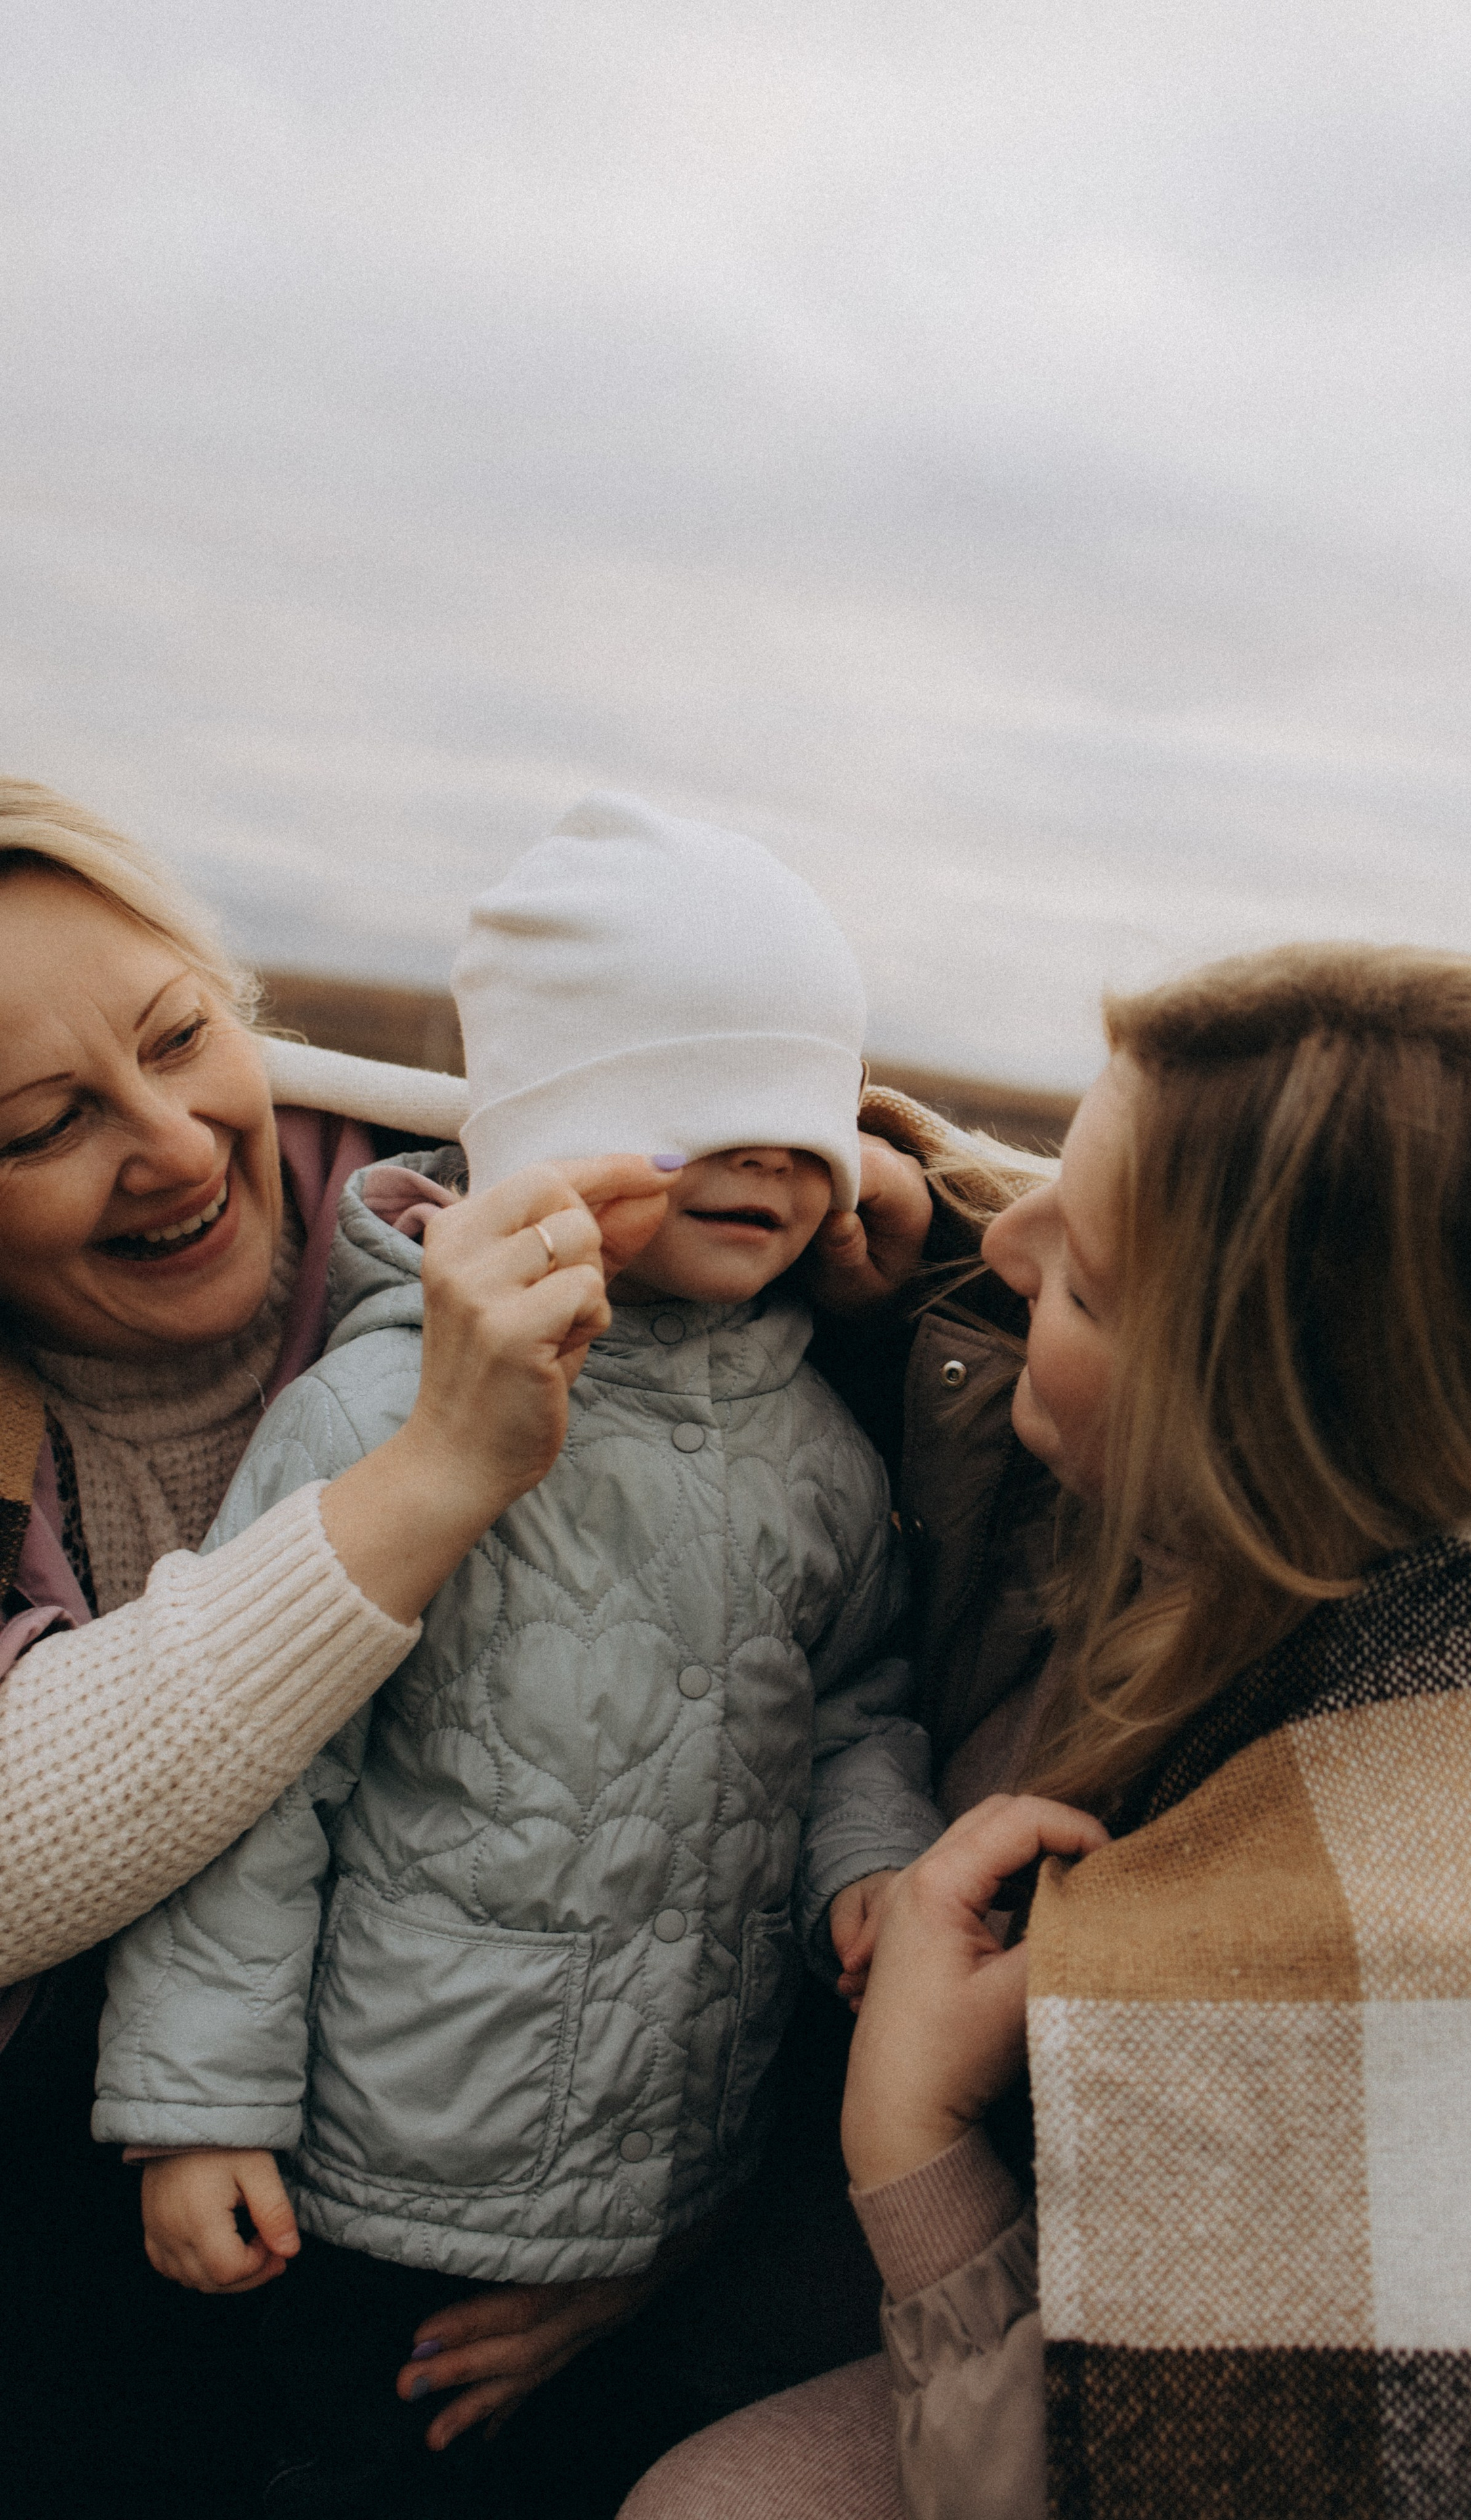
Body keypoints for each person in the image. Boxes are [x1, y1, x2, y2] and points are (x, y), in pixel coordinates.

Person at [624, 941, 1471, 2519]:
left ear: (1243, 1432)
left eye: (1093, 1280)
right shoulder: (1407, 1521)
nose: (1018, 1237)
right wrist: (923, 1214)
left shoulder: (1387, 1941)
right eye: (1056, 1155)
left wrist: (908, 2137)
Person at [95, 797, 949, 2515]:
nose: (765, 1168)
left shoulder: (825, 1452)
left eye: (800, 1131)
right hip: (362, 2196)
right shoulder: (376, 1411)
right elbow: (253, 1785)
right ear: (550, 1128)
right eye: (693, 1125)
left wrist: (872, 1873)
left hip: (665, 2182)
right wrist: (196, 2108)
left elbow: (858, 1711)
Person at [0, 778, 685, 2517]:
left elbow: (726, 1736)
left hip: (487, 2174)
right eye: (40, 1125)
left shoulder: (481, 1244)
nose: (169, 1144)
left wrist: (631, 2229)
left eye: (182, 1038)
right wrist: (436, 1471)